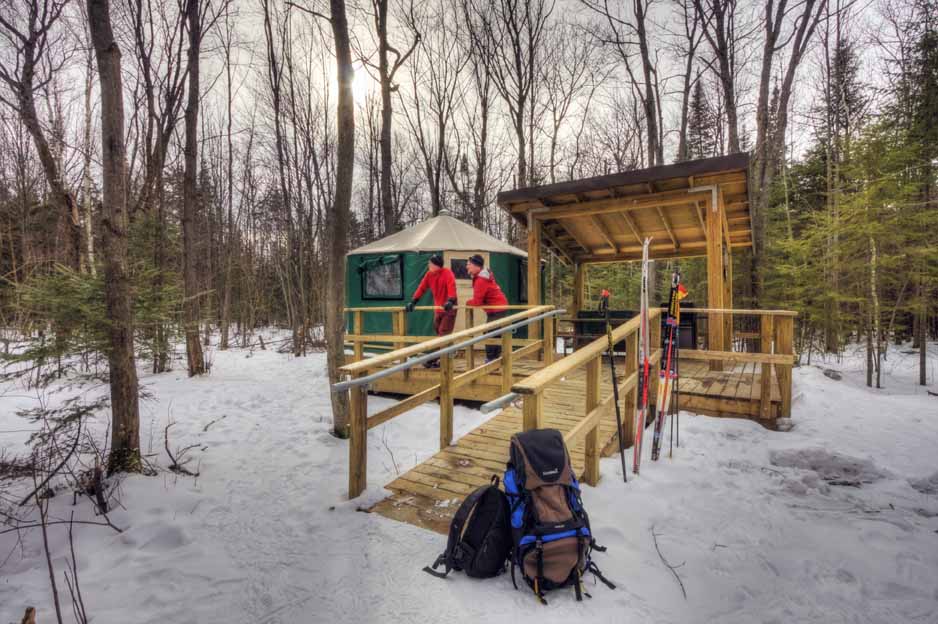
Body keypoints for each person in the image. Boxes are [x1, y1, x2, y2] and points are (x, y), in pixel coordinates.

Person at [406, 254, 457, 368]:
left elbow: (451, 286)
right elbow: (422, 288)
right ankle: (450, 351)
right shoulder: (429, 275)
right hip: (438, 309)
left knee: (443, 333)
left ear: (436, 265)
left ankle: (434, 359)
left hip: (449, 308)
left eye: (430, 263)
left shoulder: (447, 273)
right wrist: (413, 301)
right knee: (439, 331)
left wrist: (450, 300)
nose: (428, 265)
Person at [466, 254, 509, 362]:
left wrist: (467, 302)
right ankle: (495, 358)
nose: (467, 267)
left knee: (490, 333)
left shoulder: (481, 280)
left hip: (497, 308)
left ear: (477, 266)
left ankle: (491, 359)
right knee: (495, 333)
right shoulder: (482, 277)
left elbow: (477, 302)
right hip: (498, 307)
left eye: (469, 264)